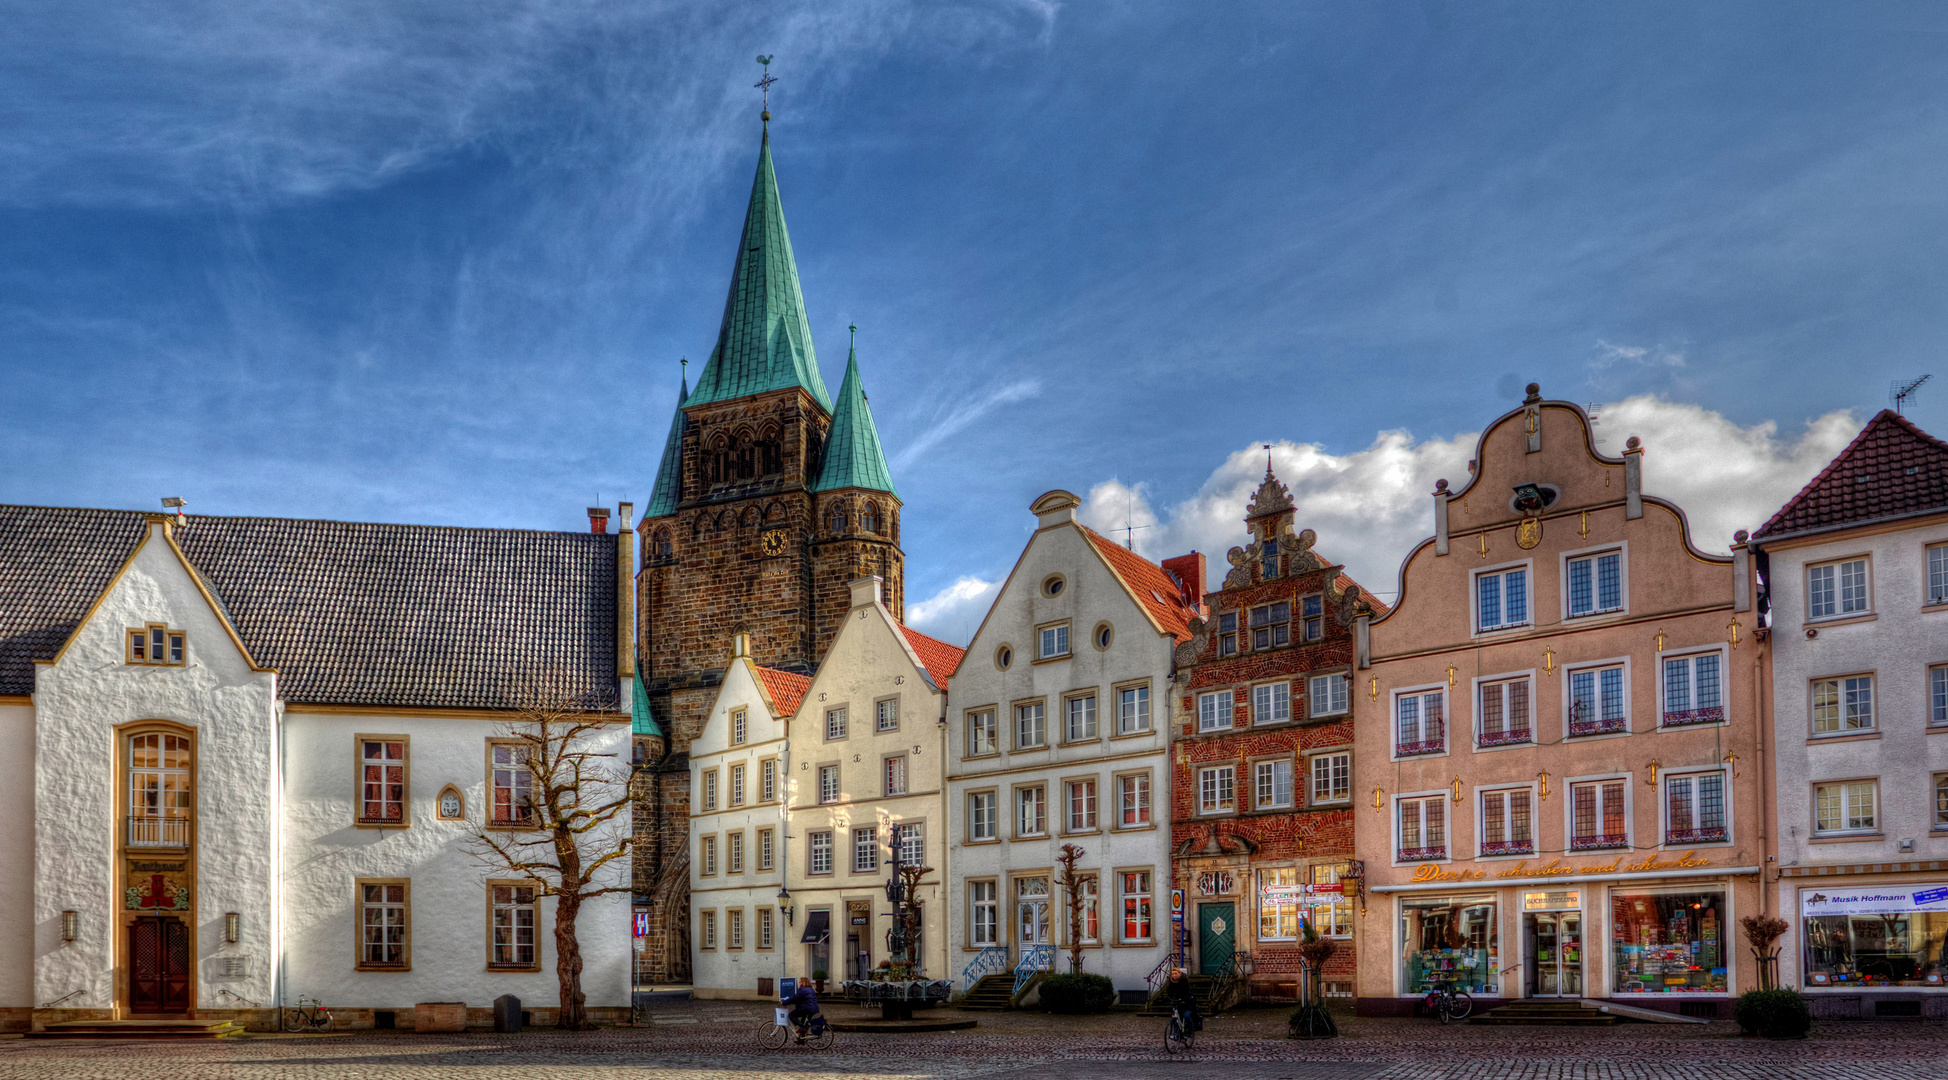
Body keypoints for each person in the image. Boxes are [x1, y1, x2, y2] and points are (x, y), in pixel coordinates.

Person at [1163, 967, 1200, 1033]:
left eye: (1175, 973)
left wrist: (1185, 998)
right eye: (1173, 974)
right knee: (1176, 1017)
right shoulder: (1171, 982)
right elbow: (1170, 992)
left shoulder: (1184, 981)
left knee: (1186, 1015)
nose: (1174, 975)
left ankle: (1191, 1028)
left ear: (1179, 974)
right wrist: (1168, 998)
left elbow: (1188, 991)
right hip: (1178, 1002)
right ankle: (1177, 1032)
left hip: (1187, 1002)